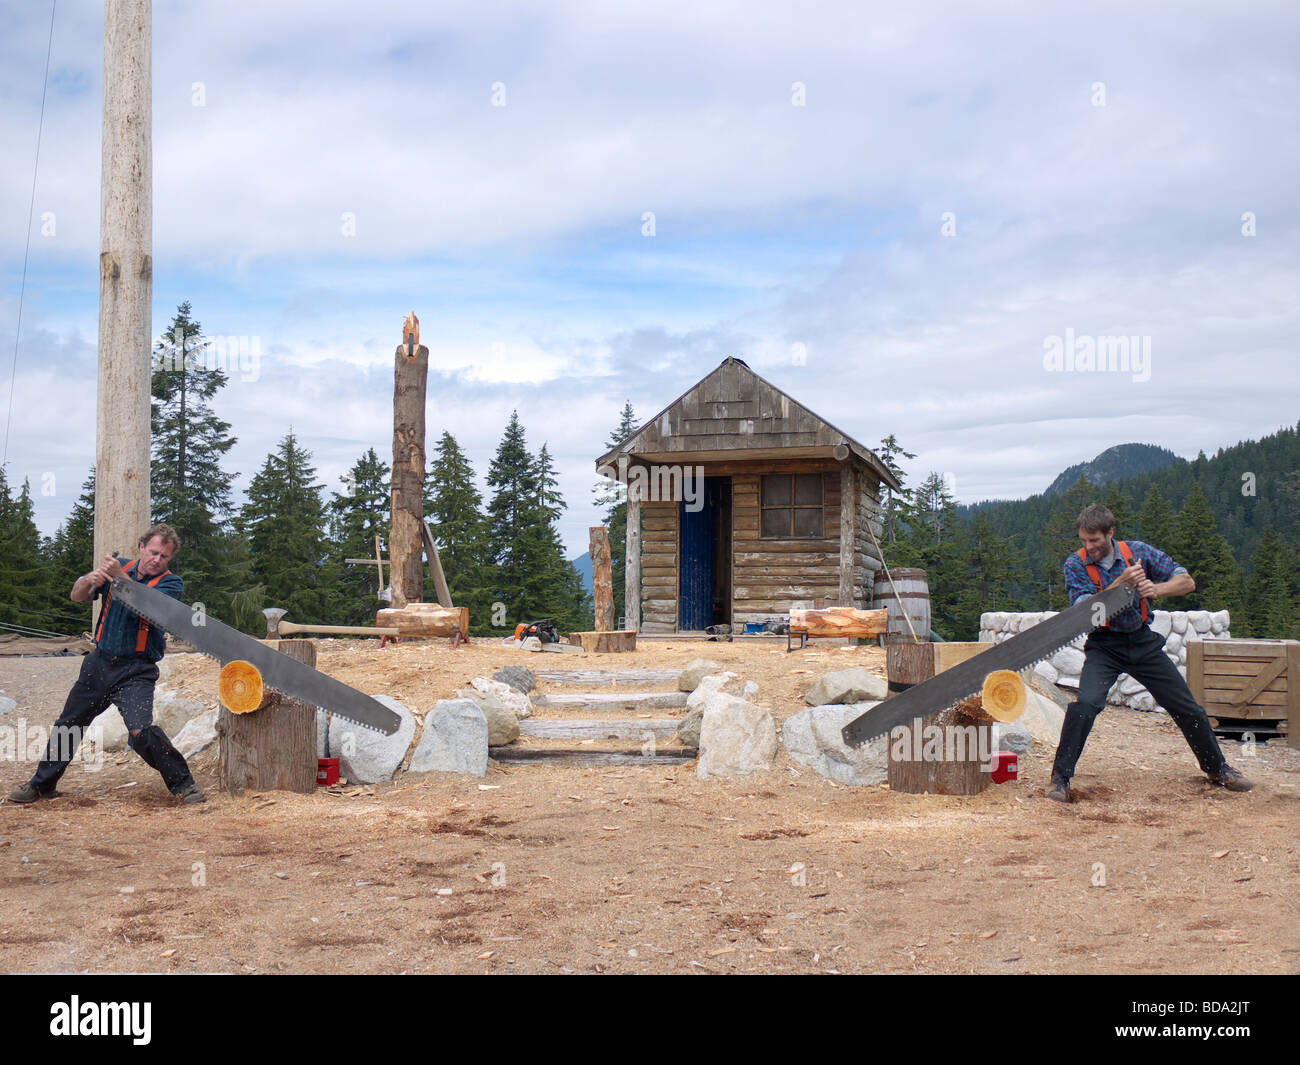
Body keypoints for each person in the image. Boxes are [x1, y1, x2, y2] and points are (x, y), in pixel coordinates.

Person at [1046, 504, 1251, 802]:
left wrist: (1157, 589)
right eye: (1084, 540)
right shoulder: (1074, 564)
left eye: (1095, 541)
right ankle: (1059, 779)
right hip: (1104, 645)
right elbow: (1085, 612)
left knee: (1187, 707)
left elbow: (1186, 581)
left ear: (1110, 533)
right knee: (1086, 704)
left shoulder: (1137, 552)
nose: (1088, 546)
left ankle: (1218, 769)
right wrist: (1119, 585)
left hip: (1142, 642)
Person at [8, 524, 206, 805]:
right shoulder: (119, 567)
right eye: (152, 553)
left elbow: (153, 609)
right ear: (141, 547)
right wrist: (92, 577)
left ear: (169, 559)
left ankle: (184, 785)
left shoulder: (171, 583)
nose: (156, 560)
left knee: (141, 732)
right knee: (69, 724)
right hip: (99, 663)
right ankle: (42, 785)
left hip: (136, 670)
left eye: (164, 556)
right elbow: (77, 595)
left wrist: (118, 576)